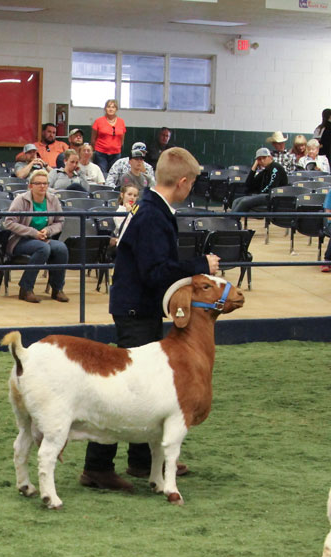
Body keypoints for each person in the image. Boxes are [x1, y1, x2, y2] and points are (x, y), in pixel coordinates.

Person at [80, 147, 221, 490]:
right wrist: (201, 266)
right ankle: (97, 466)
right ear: (183, 182)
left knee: (142, 387)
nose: (192, 188)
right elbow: (156, 272)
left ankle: (141, 461)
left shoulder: (149, 209)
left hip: (136, 307)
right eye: (192, 183)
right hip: (137, 309)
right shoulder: (153, 215)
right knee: (126, 390)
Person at [3, 169, 68, 304]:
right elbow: (9, 222)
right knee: (43, 248)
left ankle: (57, 289)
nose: (42, 186)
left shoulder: (53, 199)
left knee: (61, 248)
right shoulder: (21, 199)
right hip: (20, 240)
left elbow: (60, 222)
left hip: (44, 238)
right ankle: (26, 289)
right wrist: (33, 232)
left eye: (45, 183)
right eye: (38, 183)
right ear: (30, 185)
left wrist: (48, 231)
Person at [229, 146, 287, 215]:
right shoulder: (264, 171)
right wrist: (254, 168)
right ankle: (233, 220)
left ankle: (231, 220)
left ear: (270, 157)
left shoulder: (275, 167)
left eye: (264, 158)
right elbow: (248, 185)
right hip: (265, 196)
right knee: (236, 201)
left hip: (274, 197)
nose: (262, 161)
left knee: (243, 202)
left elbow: (272, 186)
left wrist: (259, 194)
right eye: (259, 159)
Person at [90, 99, 125, 175]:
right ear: (105, 108)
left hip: (116, 154)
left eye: (113, 107)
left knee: (114, 174)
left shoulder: (121, 122)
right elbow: (93, 139)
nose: (111, 109)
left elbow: (122, 139)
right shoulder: (98, 121)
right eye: (109, 107)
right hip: (101, 153)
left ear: (116, 109)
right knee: (103, 174)